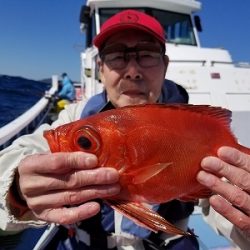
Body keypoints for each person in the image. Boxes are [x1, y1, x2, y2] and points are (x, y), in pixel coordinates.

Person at [0, 9, 249, 250]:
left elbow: (226, 199)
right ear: (101, 69)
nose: (132, 72)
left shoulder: (194, 127)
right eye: (117, 56)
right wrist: (17, 190)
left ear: (165, 64)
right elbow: (23, 154)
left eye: (147, 54)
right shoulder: (76, 118)